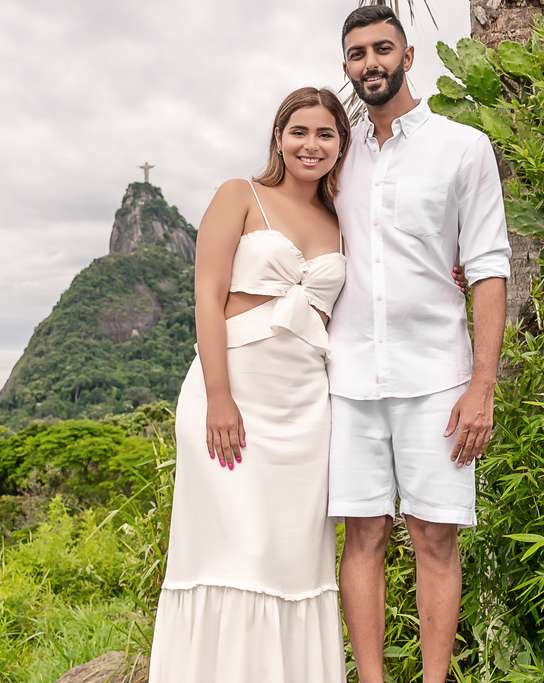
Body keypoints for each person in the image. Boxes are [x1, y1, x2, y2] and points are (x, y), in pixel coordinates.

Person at [327, 5, 511, 683]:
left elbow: (488, 266)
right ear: (346, 67)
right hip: (347, 378)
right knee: (363, 535)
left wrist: (481, 386)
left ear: (407, 54)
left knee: (435, 537)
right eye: (356, 54)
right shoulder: (335, 155)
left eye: (381, 48)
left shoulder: (462, 147)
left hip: (437, 376)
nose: (370, 63)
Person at [147, 87, 351, 683]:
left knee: (290, 561)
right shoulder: (241, 195)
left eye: (325, 134)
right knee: (235, 553)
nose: (311, 145)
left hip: (307, 408)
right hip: (231, 395)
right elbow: (207, 299)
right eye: (300, 132)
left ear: (341, 145)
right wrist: (218, 395)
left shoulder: (342, 222)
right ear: (278, 137)